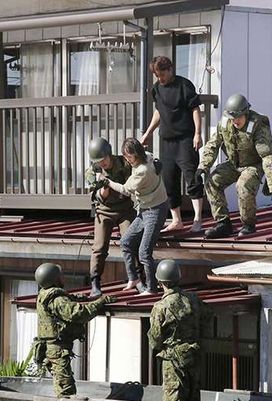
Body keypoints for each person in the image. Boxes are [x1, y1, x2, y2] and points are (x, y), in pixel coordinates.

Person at [197, 93, 272, 239]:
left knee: (243, 185)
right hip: (234, 164)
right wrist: (203, 166)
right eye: (232, 118)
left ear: (246, 113)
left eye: (238, 117)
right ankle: (223, 223)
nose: (235, 121)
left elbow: (267, 156)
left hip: (253, 165)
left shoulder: (258, 125)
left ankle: (248, 225)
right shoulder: (225, 123)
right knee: (212, 180)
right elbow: (213, 145)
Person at [139, 56, 204, 233]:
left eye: (162, 74)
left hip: (186, 139)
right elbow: (159, 111)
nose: (161, 78)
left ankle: (198, 219)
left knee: (192, 178)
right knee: (169, 180)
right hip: (166, 141)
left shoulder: (184, 85)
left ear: (170, 69)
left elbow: (195, 109)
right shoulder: (156, 89)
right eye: (157, 76)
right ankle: (177, 220)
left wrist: (197, 134)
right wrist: (148, 133)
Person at [32, 262, 115, 398]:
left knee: (62, 381)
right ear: (55, 279)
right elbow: (78, 314)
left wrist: (74, 298)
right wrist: (100, 302)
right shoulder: (57, 299)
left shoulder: (44, 294)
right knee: (65, 387)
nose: (63, 278)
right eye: (61, 276)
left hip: (52, 347)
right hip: (57, 349)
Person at [99, 138, 168, 295]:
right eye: (126, 157)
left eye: (129, 157)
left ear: (137, 154)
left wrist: (107, 182)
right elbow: (155, 159)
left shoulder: (142, 170)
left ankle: (151, 288)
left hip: (156, 210)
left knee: (144, 252)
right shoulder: (148, 156)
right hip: (144, 210)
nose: (127, 160)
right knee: (126, 242)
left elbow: (125, 189)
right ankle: (134, 278)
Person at [147, 259, 214, 401]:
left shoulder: (160, 307)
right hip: (193, 357)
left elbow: (155, 340)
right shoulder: (193, 300)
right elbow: (208, 317)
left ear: (160, 282)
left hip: (173, 362)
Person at [85, 137, 136, 298]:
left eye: (104, 159)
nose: (102, 164)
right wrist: (104, 187)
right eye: (98, 161)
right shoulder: (92, 172)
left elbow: (140, 167)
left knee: (131, 241)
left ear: (109, 153)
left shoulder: (124, 163)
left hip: (125, 209)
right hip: (104, 211)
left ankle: (137, 278)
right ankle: (95, 282)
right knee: (99, 247)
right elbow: (99, 197)